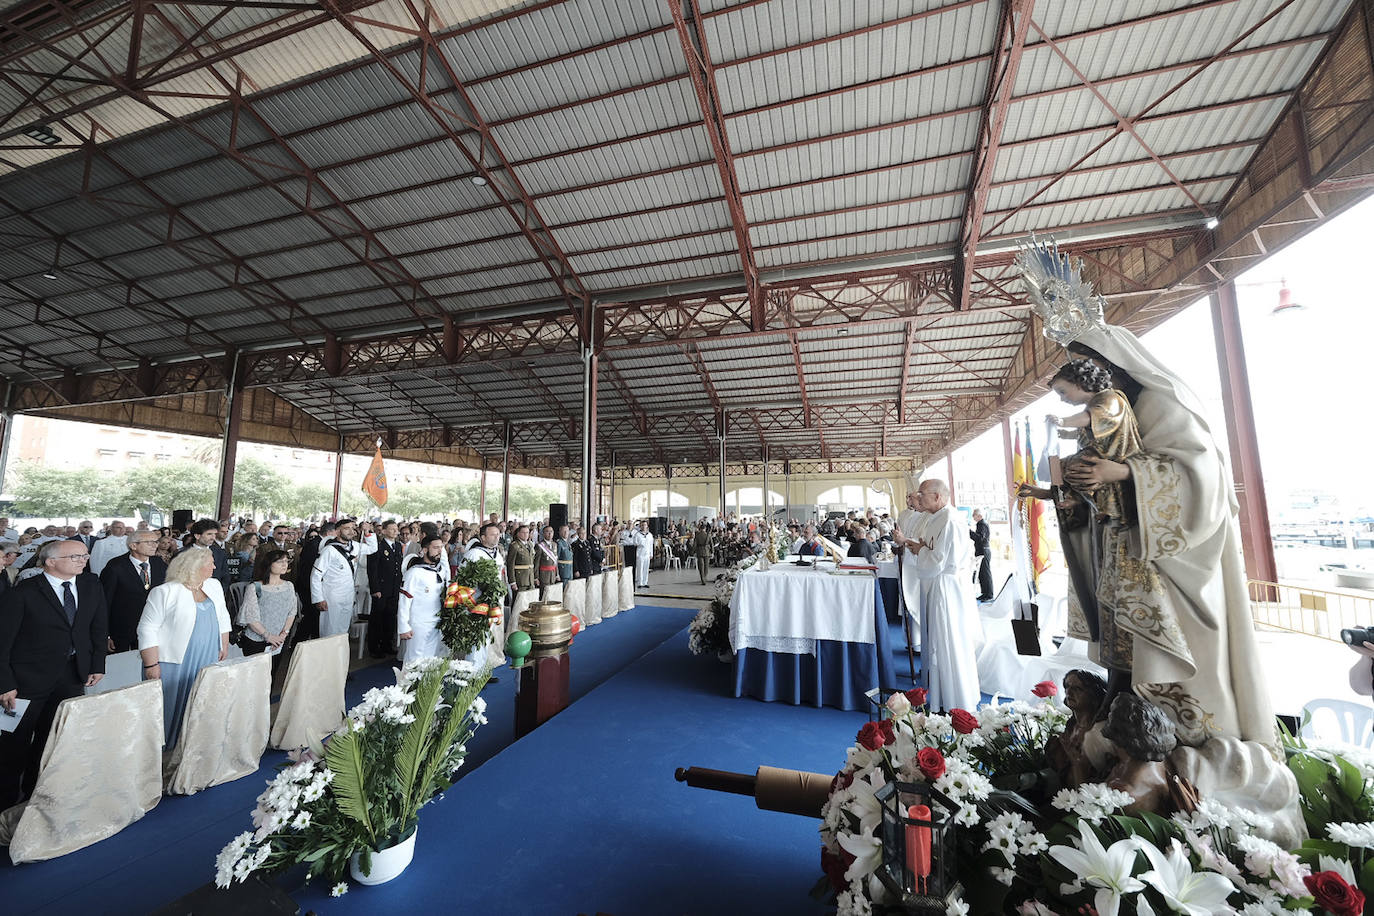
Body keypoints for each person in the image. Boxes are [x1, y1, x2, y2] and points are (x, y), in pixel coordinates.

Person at [1016, 240, 1274, 747]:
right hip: (1119, 542)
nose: (1074, 391)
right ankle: (1117, 719)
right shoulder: (1108, 414)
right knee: (1118, 644)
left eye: (1078, 377)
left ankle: (1179, 735)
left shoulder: (1158, 403)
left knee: (1157, 655)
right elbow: (1095, 474)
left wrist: (1123, 473)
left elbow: (1201, 475)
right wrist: (1072, 495)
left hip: (1166, 557)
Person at [0, 539, 108, 807]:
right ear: (51, 562)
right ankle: (6, 806)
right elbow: (3, 641)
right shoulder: (23, 592)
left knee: (54, 740)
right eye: (75, 557)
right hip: (25, 681)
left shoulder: (90, 585)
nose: (83, 560)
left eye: (84, 555)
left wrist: (97, 664)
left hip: (72, 676)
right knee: (12, 747)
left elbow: (97, 626)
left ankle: (37, 799)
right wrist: (4, 683)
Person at [891, 479, 981, 711]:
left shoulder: (950, 520)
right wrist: (918, 548)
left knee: (948, 641)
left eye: (922, 495)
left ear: (938, 497)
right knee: (938, 643)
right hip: (936, 585)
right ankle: (941, 696)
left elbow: (941, 560)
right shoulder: (935, 518)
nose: (918, 499)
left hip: (946, 589)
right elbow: (930, 550)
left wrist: (919, 550)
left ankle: (956, 699)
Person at [138, 546, 230, 749]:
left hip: (206, 654)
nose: (215, 567)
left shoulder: (213, 585)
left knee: (199, 698)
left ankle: (191, 742)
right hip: (173, 660)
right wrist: (151, 664)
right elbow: (147, 628)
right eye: (210, 563)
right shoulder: (165, 591)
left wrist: (223, 644)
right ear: (195, 566)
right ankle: (161, 748)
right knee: (168, 703)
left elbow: (223, 616)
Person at [1049, 358, 1143, 525]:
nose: (1063, 399)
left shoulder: (1110, 398)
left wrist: (1064, 422)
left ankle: (1088, 502)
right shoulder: (1094, 403)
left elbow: (1094, 418)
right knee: (1062, 467)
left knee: (1074, 467)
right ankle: (1086, 501)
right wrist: (1065, 434)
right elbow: (1087, 432)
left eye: (1063, 392)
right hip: (1101, 453)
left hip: (1115, 455)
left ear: (1080, 382)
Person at [99, 528, 168, 652]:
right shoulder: (115, 566)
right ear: (133, 545)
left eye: (156, 542)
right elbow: (104, 602)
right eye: (149, 542)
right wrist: (106, 634)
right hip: (122, 629)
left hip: (154, 627)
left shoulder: (159, 563)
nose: (155, 545)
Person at [310, 518, 377, 639]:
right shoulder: (329, 550)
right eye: (347, 528)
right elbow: (316, 575)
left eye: (353, 528)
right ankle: (327, 656)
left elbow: (373, 548)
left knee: (343, 630)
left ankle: (339, 655)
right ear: (337, 532)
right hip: (332, 596)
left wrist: (367, 532)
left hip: (348, 594)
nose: (351, 531)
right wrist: (318, 599)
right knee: (330, 630)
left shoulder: (356, 546)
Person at [237, 549, 298, 679]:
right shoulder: (255, 587)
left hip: (279, 640)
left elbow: (292, 611)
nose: (284, 564)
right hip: (256, 640)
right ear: (269, 564)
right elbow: (251, 617)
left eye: (286, 561)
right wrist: (268, 636)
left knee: (271, 676)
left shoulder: (289, 586)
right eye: (280, 561)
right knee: (254, 678)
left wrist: (283, 634)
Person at [461, 523, 507, 672]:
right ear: (483, 537)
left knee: (485, 638)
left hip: (492, 602)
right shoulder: (474, 554)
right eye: (493, 534)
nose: (497, 536)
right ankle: (472, 673)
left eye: (498, 534)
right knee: (476, 639)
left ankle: (481, 671)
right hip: (476, 603)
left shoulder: (496, 553)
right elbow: (462, 579)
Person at [397, 535, 448, 664]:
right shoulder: (414, 573)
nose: (439, 551)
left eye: (441, 548)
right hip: (419, 624)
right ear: (425, 550)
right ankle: (409, 684)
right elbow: (404, 600)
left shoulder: (441, 570)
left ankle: (427, 684)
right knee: (414, 659)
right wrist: (403, 626)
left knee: (432, 659)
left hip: (437, 621)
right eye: (435, 548)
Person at [366, 520, 405, 660]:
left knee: (390, 617)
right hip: (381, 588)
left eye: (396, 529)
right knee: (377, 618)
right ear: (384, 531)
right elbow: (373, 569)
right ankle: (374, 647)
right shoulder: (378, 546)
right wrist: (375, 588)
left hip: (394, 588)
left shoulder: (398, 545)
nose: (396, 531)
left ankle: (387, 645)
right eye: (392, 529)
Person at [189, 518, 231, 593]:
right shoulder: (182, 554)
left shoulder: (220, 553)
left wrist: (219, 593)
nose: (213, 538)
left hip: (214, 594)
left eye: (214, 534)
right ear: (197, 536)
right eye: (209, 534)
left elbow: (225, 577)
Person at [969, 509, 993, 602]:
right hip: (983, 551)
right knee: (982, 574)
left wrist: (969, 532)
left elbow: (980, 538)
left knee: (985, 573)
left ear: (979, 515)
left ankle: (988, 594)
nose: (973, 517)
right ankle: (985, 593)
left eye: (974, 515)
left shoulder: (981, 524)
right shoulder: (982, 524)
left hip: (983, 551)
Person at [506, 524, 537, 597]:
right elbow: (510, 564)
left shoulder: (530, 544)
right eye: (523, 532)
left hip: (530, 578)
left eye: (527, 532)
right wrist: (512, 582)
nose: (526, 534)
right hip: (520, 579)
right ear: (518, 534)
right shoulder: (514, 545)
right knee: (519, 601)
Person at [536, 525, 559, 596]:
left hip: (552, 574)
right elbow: (536, 562)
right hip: (544, 575)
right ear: (543, 533)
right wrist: (536, 577)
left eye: (551, 532)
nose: (549, 534)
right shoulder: (540, 545)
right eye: (547, 531)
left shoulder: (555, 544)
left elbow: (555, 561)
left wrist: (557, 574)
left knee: (551, 595)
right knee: (544, 595)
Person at [633, 520, 654, 589]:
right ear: (640, 526)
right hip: (640, 554)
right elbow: (635, 543)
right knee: (640, 568)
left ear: (647, 526)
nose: (643, 526)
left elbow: (651, 545)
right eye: (642, 525)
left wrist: (651, 553)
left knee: (646, 568)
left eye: (645, 525)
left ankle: (645, 582)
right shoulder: (637, 534)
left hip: (647, 554)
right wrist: (640, 544)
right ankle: (640, 583)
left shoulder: (650, 535)